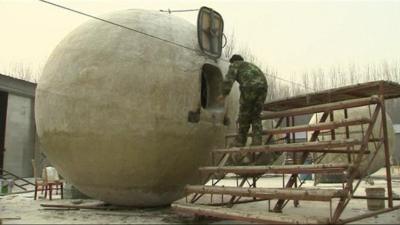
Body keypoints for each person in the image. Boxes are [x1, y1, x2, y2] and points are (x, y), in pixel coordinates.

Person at [218, 54, 268, 147]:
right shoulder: (250, 66)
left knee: (244, 114)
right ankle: (257, 141)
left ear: (233, 61)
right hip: (263, 87)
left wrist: (224, 93)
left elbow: (229, 79)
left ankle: (240, 141)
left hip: (250, 87)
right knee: (256, 114)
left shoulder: (235, 64)